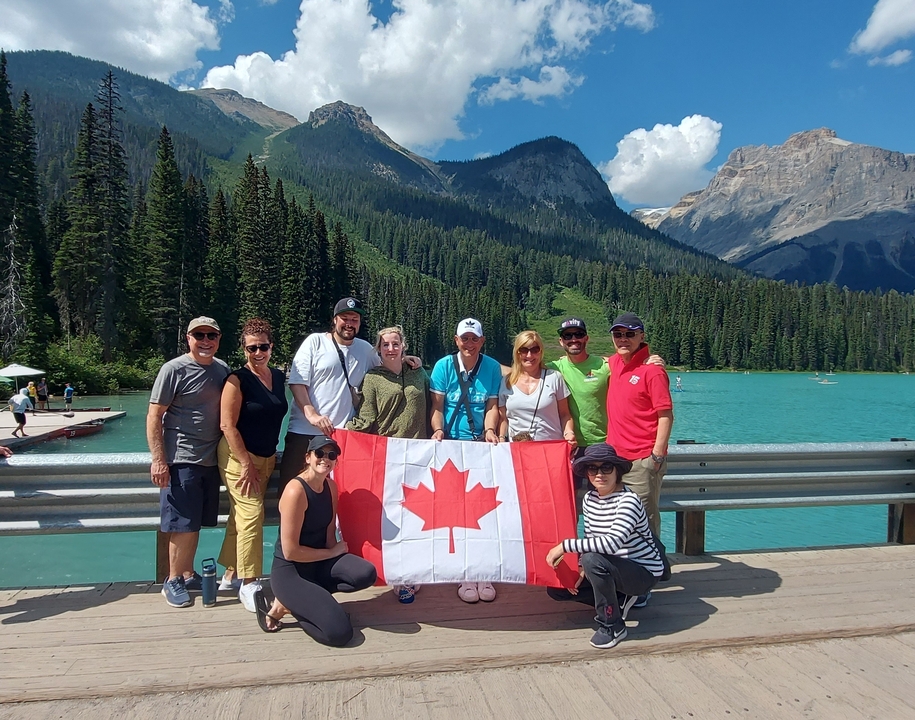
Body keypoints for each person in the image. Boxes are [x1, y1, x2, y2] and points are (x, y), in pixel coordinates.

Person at [280, 298, 420, 495]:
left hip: (342, 437)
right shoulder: (315, 342)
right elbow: (297, 381)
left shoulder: (364, 349)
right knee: (292, 493)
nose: (349, 323)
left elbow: (386, 365)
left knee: (337, 496)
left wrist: (404, 359)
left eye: (354, 319)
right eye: (345, 318)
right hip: (305, 433)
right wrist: (311, 414)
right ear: (335, 319)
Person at [255, 435, 377, 646]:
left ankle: (310, 601)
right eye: (319, 453)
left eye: (331, 455)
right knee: (340, 634)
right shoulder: (296, 491)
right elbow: (291, 552)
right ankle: (288, 604)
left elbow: (329, 536)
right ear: (308, 457)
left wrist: (335, 555)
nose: (325, 459)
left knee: (366, 573)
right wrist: (332, 553)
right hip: (291, 572)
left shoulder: (330, 487)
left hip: (318, 566)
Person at [546, 444, 664, 650]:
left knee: (593, 559)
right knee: (558, 589)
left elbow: (611, 543)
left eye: (606, 467)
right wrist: (581, 568)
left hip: (642, 572)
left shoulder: (629, 501)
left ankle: (612, 625)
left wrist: (564, 547)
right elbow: (590, 536)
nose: (599, 474)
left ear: (617, 470)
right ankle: (618, 599)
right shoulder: (590, 499)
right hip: (612, 567)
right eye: (592, 469)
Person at [147, 316, 229, 608]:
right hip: (181, 458)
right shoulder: (173, 369)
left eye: (211, 336)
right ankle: (173, 580)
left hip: (210, 459)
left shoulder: (222, 370)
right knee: (182, 524)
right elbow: (154, 415)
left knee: (194, 523)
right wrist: (159, 460)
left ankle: (188, 572)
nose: (205, 341)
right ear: (188, 338)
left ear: (218, 339)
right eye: (199, 336)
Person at [346, 325, 430, 604]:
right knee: (395, 519)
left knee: (418, 519)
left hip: (420, 455)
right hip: (390, 456)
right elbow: (366, 416)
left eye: (395, 344)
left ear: (403, 346)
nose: (391, 349)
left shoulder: (418, 372)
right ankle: (399, 577)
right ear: (379, 350)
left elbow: (431, 407)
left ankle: (418, 570)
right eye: (385, 345)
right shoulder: (372, 378)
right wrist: (342, 432)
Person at [217, 318, 288, 612]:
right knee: (252, 515)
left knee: (239, 517)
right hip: (237, 456)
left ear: (271, 347)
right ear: (243, 349)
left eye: (262, 346)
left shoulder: (279, 377)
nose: (257, 352)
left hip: (267, 456)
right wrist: (245, 462)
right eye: (251, 348)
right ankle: (250, 583)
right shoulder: (237, 380)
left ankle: (230, 574)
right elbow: (226, 425)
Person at [429, 317, 503, 603]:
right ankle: (464, 573)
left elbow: (492, 406)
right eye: (465, 338)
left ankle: (484, 571)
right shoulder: (443, 367)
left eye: (474, 338)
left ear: (482, 341)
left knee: (483, 512)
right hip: (450, 448)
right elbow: (436, 407)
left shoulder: (492, 368)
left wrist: (489, 431)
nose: (469, 343)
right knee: (457, 515)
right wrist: (437, 431)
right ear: (456, 340)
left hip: (480, 446)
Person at [605, 312, 673, 540]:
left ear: (641, 336)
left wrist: (656, 456)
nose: (623, 339)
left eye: (629, 334)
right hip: (615, 461)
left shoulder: (653, 370)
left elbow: (666, 415)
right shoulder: (614, 362)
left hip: (642, 461)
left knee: (645, 521)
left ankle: (654, 570)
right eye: (618, 334)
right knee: (618, 521)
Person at [498, 330, 576, 447]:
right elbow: (503, 419)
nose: (529, 355)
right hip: (518, 449)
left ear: (541, 352)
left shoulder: (554, 378)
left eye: (535, 350)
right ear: (517, 353)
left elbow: (565, 414)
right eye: (524, 350)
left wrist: (569, 432)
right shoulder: (506, 382)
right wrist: (501, 440)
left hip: (551, 447)